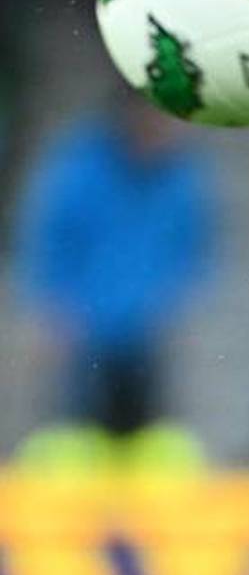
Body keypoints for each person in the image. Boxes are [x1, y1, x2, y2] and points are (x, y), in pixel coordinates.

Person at [13, 89, 214, 469]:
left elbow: (195, 248)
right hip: (85, 335)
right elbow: (47, 243)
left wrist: (178, 301)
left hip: (147, 338)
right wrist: (51, 306)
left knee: (153, 446)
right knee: (76, 445)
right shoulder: (77, 171)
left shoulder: (183, 176)